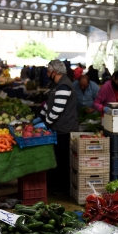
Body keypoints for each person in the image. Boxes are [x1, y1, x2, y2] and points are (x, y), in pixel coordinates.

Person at [34, 60, 78, 193]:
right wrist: (40, 117)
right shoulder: (56, 85)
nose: (47, 73)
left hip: (65, 129)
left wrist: (45, 123)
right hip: (57, 128)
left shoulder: (64, 86)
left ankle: (62, 189)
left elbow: (57, 109)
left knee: (62, 160)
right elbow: (49, 105)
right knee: (57, 158)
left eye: (48, 71)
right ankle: (56, 185)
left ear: (55, 72)